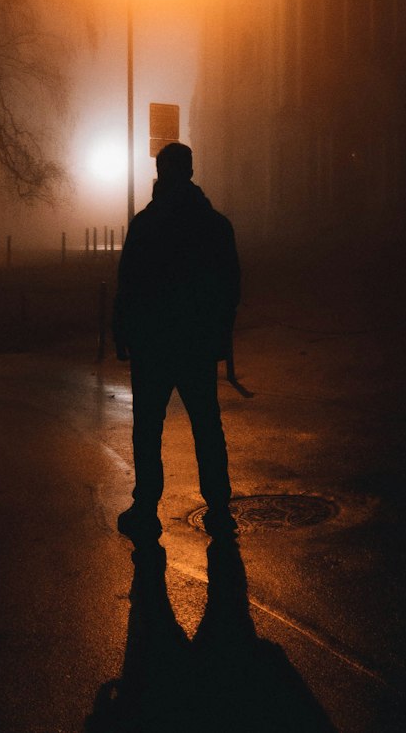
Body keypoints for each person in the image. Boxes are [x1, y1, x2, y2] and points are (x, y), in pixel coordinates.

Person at [113, 142, 241, 541]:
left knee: (148, 427)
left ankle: (146, 508)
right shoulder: (214, 224)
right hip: (196, 340)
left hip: (153, 341)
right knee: (206, 423)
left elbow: (129, 283)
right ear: (190, 171)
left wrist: (124, 332)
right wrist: (219, 333)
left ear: (162, 171)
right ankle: (219, 507)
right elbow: (229, 284)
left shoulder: (146, 223)